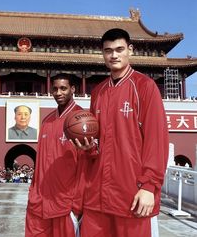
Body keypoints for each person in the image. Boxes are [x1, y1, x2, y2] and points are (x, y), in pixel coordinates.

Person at [75, 28, 169, 237]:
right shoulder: (98, 92)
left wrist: (149, 186)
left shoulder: (145, 86)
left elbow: (157, 140)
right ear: (102, 53)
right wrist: (89, 148)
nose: (114, 55)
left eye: (119, 49)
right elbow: (98, 142)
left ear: (130, 50)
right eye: (108, 50)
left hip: (131, 195)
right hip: (97, 196)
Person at [25, 73, 90, 237]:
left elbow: (85, 167)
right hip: (39, 203)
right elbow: (40, 162)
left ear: (73, 89)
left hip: (65, 205)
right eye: (55, 89)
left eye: (63, 88)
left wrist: (77, 205)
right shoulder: (47, 121)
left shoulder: (83, 121)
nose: (58, 93)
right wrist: (33, 193)